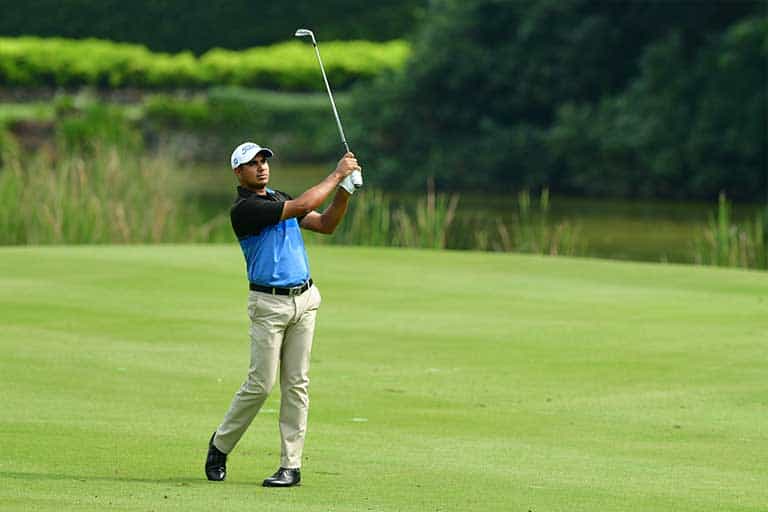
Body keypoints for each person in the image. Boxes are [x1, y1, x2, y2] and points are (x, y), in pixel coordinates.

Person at [205, 141, 361, 487]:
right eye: (252, 163)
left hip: (305, 300)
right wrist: (338, 173)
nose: (261, 167)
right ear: (238, 172)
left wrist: (345, 193)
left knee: (297, 385)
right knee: (261, 385)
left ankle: (290, 466)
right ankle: (220, 444)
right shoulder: (244, 209)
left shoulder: (278, 197)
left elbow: (325, 224)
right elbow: (305, 204)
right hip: (268, 305)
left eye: (264, 161)